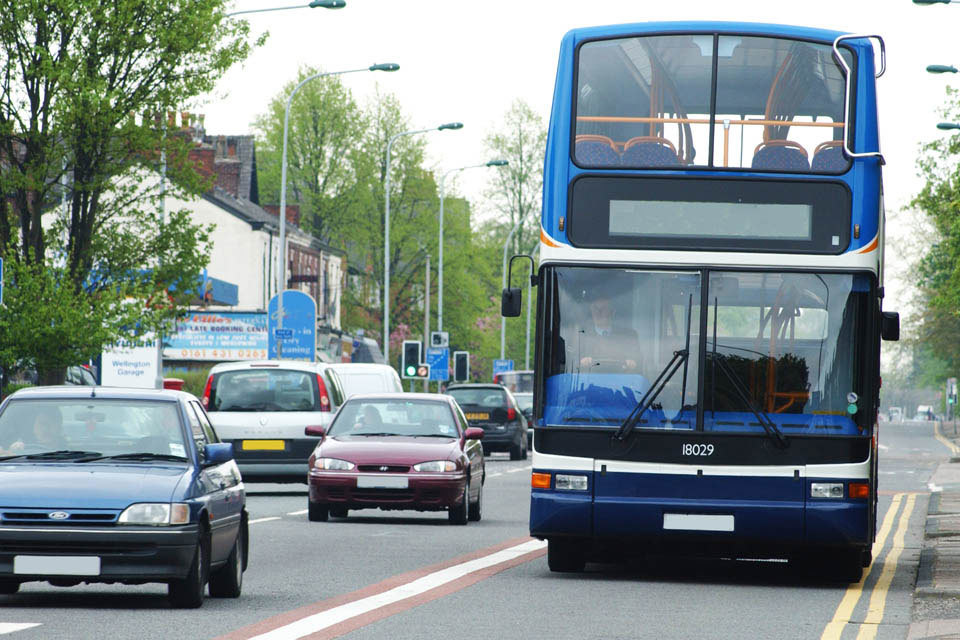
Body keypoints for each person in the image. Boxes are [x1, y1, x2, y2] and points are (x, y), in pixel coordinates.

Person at [576, 289, 641, 373]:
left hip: (621, 383)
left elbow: (639, 363)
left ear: (612, 312)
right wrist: (582, 362)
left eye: (603, 309)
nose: (598, 313)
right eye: (595, 308)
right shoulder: (581, 336)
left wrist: (633, 363)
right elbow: (573, 364)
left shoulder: (629, 336)